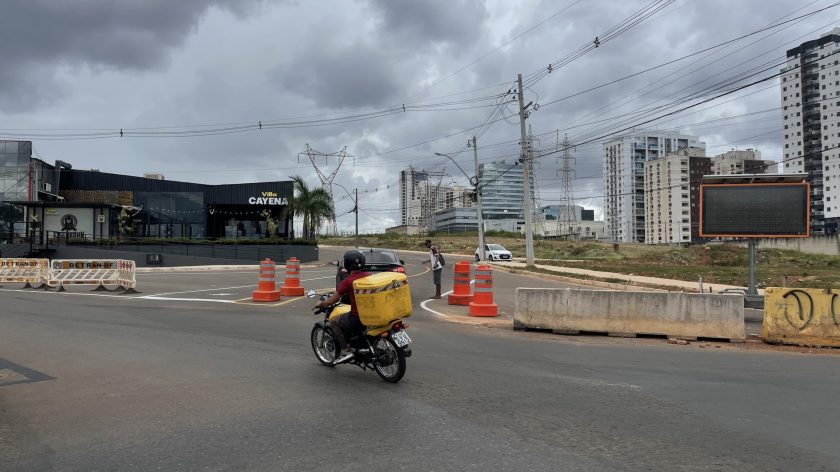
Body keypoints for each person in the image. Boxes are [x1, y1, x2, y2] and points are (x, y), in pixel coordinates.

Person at [316, 249, 371, 363]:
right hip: (373, 313)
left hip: (358, 317)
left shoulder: (348, 281)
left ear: (347, 264)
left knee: (334, 321)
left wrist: (321, 303)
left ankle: (345, 350)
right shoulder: (369, 276)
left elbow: (333, 299)